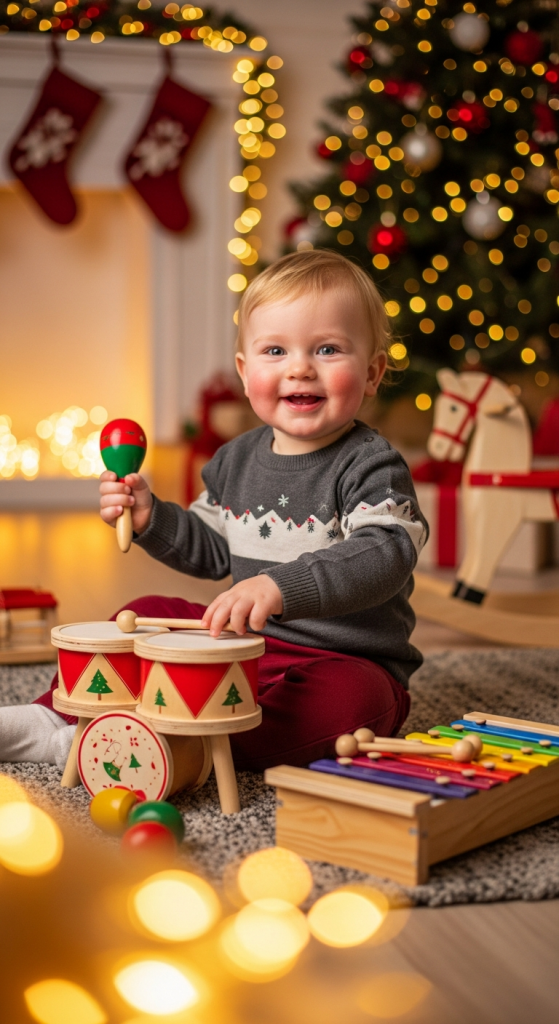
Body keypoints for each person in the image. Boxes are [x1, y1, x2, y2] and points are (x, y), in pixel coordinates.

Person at [4, 250, 428, 772]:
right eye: (276, 350)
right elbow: (209, 548)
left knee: (353, 704)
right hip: (242, 645)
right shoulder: (237, 458)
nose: (299, 368)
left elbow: (385, 553)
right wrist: (150, 518)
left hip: (344, 660)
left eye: (327, 349)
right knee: (139, 614)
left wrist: (280, 587)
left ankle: (189, 750)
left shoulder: (371, 464)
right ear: (246, 372)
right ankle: (53, 724)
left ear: (371, 373)